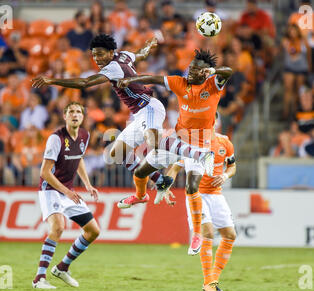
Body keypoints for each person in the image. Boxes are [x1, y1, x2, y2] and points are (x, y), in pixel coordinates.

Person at [32, 34, 213, 202]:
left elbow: (85, 83)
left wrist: (52, 81)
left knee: (154, 141)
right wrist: (148, 46)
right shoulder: (124, 55)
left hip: (148, 107)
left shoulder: (113, 68)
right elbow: (140, 54)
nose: (97, 59)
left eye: (101, 54)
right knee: (116, 153)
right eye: (94, 55)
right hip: (140, 113)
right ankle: (160, 180)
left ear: (111, 53)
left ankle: (201, 155)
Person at [116, 49, 232, 254]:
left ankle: (196, 235)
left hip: (201, 144)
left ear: (205, 72)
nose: (191, 71)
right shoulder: (180, 83)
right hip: (178, 141)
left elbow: (229, 71)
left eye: (197, 68)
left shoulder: (212, 85)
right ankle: (140, 195)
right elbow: (154, 78)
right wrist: (130, 79)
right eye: (191, 67)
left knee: (191, 187)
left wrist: (212, 71)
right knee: (140, 172)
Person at [165, 116, 237, 291]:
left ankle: (213, 279)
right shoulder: (192, 145)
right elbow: (174, 168)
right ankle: (208, 282)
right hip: (197, 196)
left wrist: (226, 176)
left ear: (215, 123)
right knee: (208, 233)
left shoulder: (224, 142)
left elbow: (232, 166)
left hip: (216, 195)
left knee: (230, 235)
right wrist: (165, 188)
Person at [32, 102, 100, 289]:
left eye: (79, 112)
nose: (75, 115)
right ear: (65, 116)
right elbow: (45, 172)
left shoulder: (84, 135)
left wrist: (87, 184)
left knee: (93, 230)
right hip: (50, 190)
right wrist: (67, 192)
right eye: (71, 112)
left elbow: (78, 160)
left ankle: (62, 268)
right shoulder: (56, 138)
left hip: (67, 191)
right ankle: (39, 279)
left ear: (83, 117)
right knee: (58, 227)